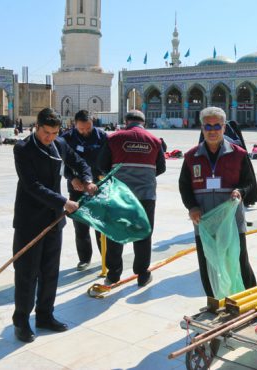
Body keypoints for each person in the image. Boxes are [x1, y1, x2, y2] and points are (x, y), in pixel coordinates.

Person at [12, 108, 96, 343]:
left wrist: (87, 180)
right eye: (46, 132)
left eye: (54, 132)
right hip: (30, 221)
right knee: (27, 274)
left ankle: (45, 316)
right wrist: (64, 202)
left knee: (50, 272)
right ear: (36, 127)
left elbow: (78, 161)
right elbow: (32, 185)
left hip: (53, 220)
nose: (50, 137)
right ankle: (21, 321)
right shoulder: (23, 148)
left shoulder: (59, 144)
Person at [179, 107, 257, 297]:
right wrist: (192, 207)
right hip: (204, 221)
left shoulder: (238, 154)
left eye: (217, 126)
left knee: (238, 261)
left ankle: (249, 297)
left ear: (223, 127)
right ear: (202, 128)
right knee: (207, 263)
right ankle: (213, 301)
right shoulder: (191, 156)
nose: (212, 130)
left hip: (232, 222)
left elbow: (249, 182)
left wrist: (240, 191)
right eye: (208, 126)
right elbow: (184, 185)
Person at [97, 110, 166, 287]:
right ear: (144, 122)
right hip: (146, 196)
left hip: (119, 196)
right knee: (143, 233)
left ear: (126, 121)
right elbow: (161, 168)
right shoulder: (155, 141)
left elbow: (101, 165)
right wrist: (145, 177)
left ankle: (113, 275)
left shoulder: (114, 138)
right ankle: (142, 274)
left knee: (115, 232)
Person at [61, 110, 108, 271]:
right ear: (75, 125)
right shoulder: (66, 138)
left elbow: (109, 159)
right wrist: (71, 178)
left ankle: (106, 259)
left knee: (100, 225)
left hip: (98, 187)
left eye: (88, 128)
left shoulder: (102, 137)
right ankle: (84, 259)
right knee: (80, 226)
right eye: (81, 129)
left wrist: (101, 177)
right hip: (77, 187)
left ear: (92, 123)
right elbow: (62, 164)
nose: (85, 132)